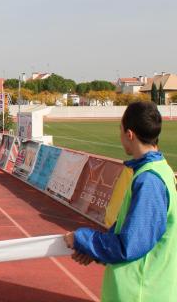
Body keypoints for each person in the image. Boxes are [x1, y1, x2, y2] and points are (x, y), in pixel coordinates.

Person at [64, 101, 176, 302]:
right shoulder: (157, 170)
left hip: (140, 293)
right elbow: (128, 228)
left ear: (129, 134)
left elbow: (130, 245)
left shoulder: (149, 180)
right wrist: (93, 250)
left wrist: (82, 239)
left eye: (121, 129)